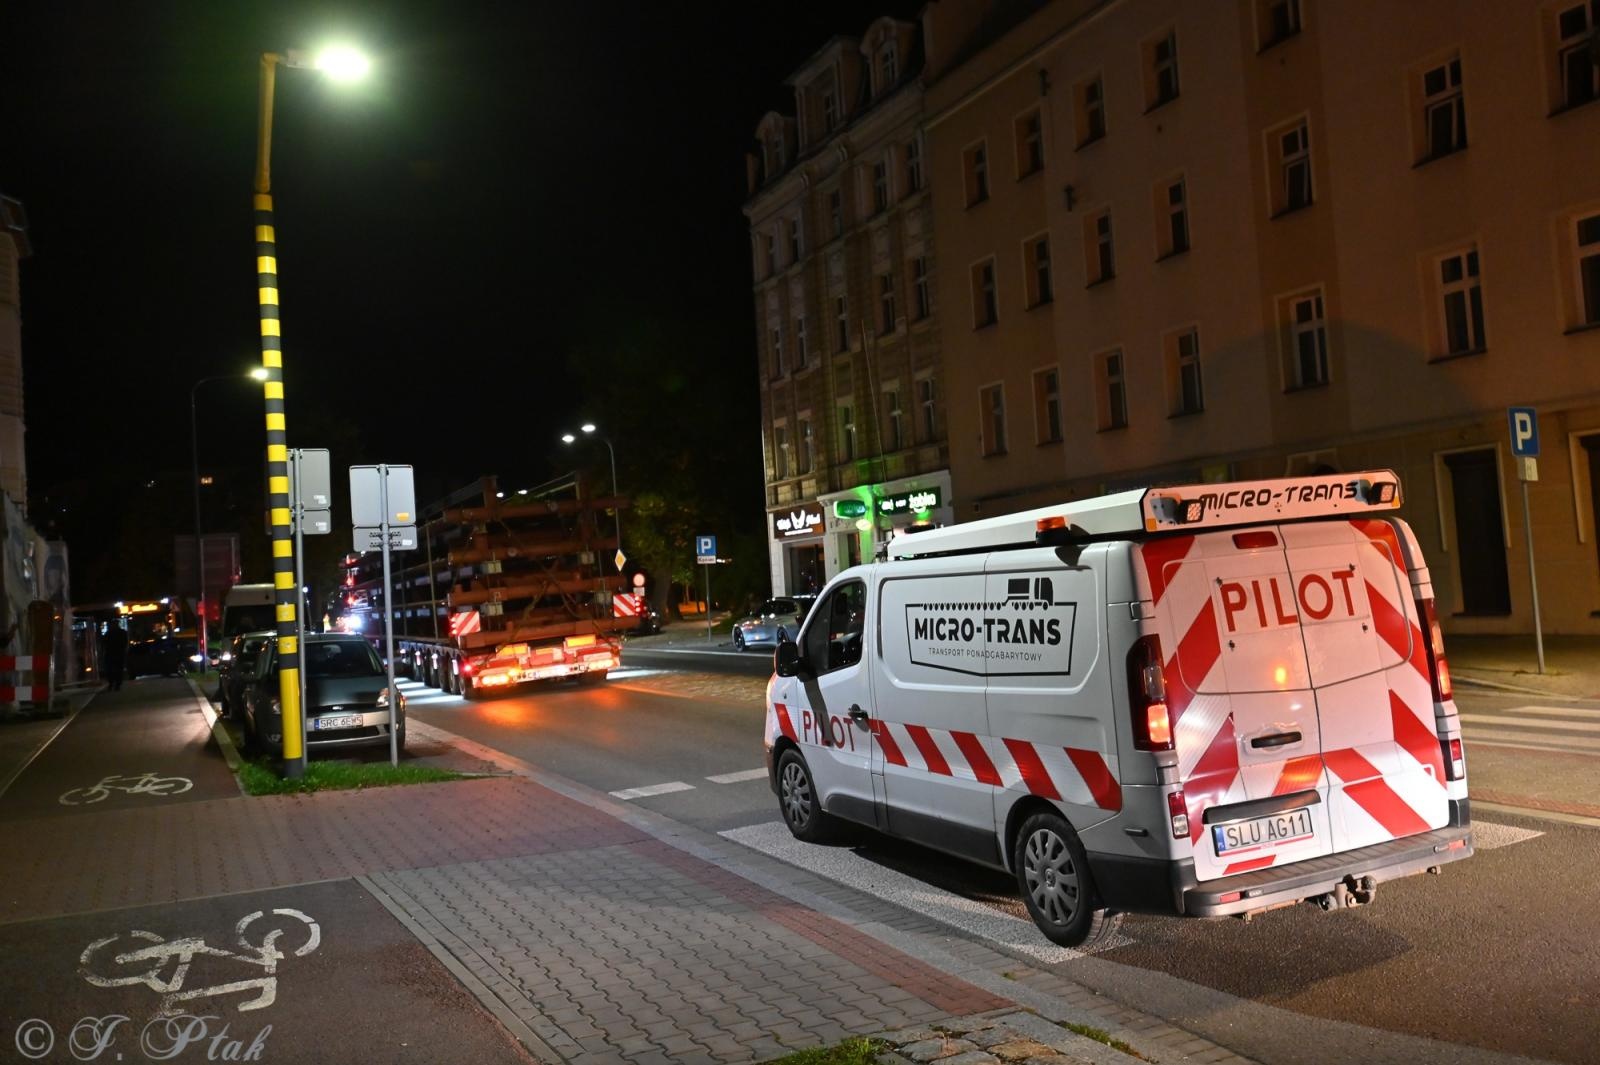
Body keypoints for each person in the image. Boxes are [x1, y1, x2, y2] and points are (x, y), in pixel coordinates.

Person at [103, 620, 128, 691]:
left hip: (110, 654)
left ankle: (111, 683)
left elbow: (104, 643)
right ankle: (117, 684)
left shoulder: (108, 633)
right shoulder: (122, 632)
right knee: (118, 669)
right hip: (119, 653)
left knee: (110, 669)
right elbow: (125, 643)